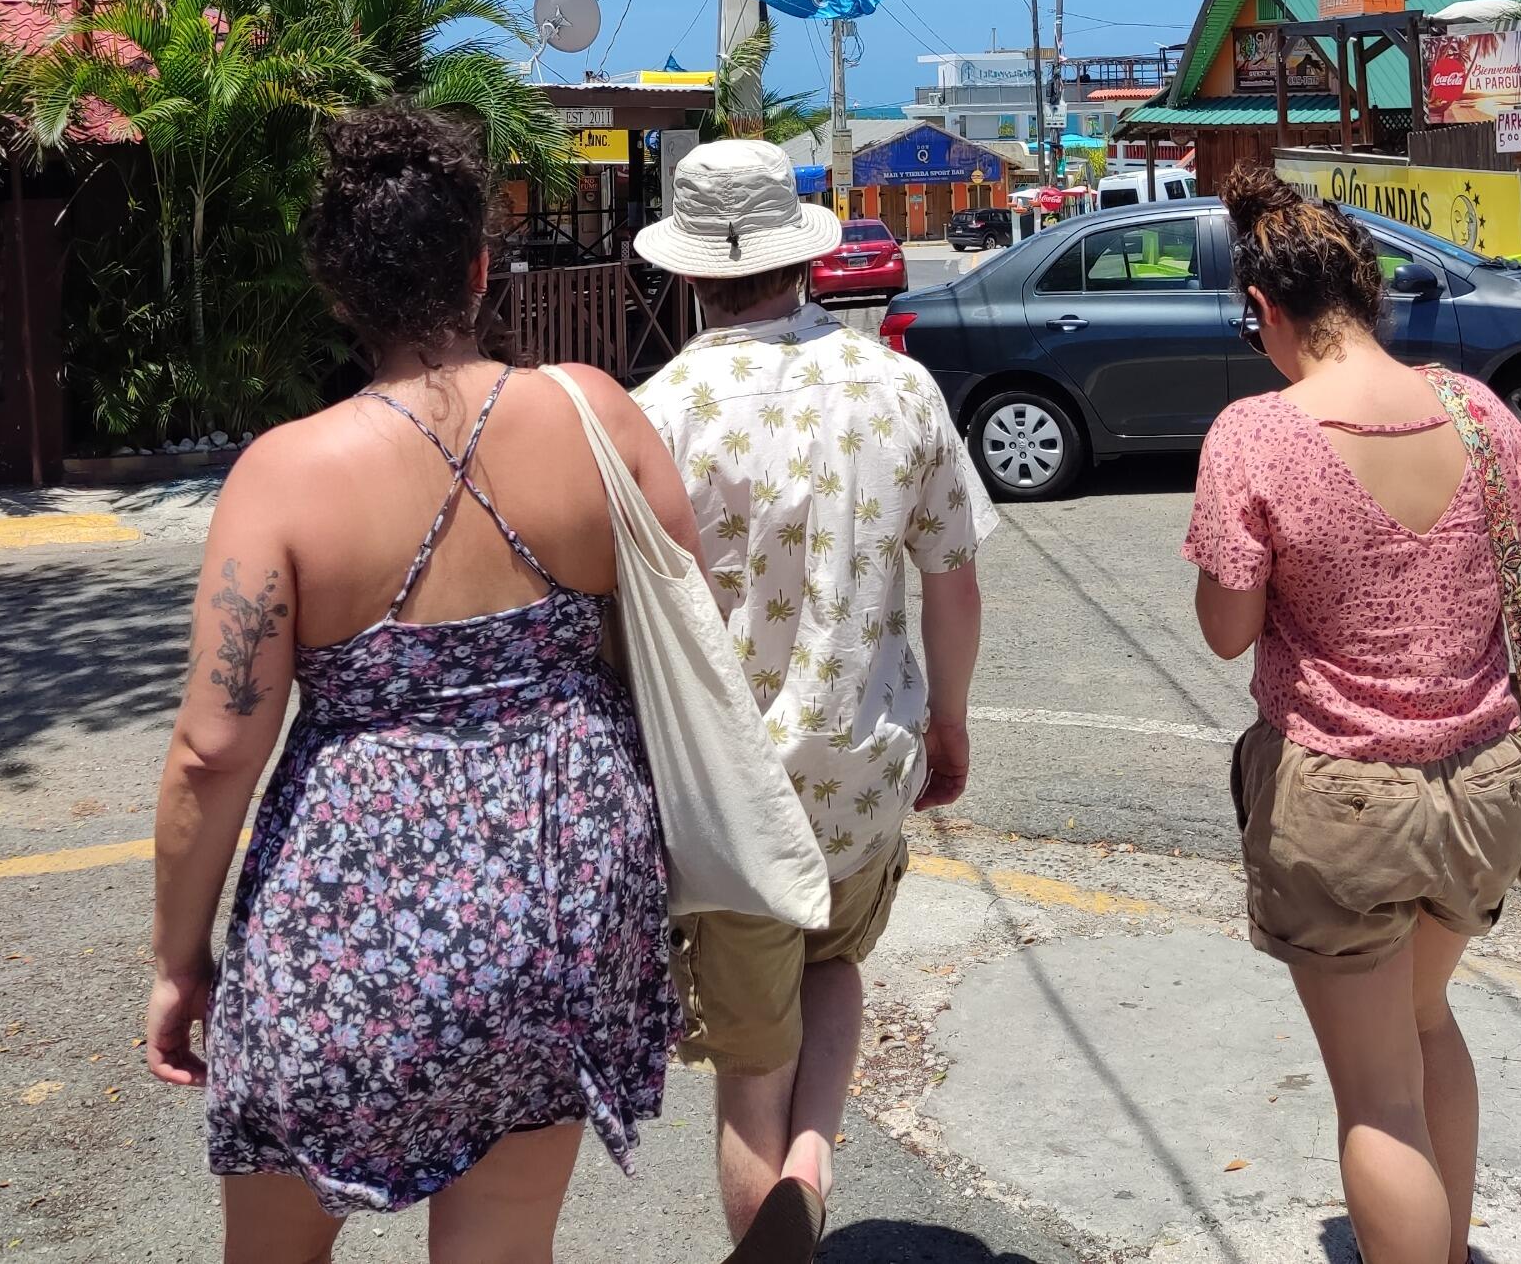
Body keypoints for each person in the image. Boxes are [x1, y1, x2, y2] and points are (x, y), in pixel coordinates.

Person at [146, 106, 702, 1264]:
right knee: (502, 1250)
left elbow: (214, 749)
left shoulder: (285, 473)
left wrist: (178, 959)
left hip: (353, 916)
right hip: (565, 890)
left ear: (338, 290)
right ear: (481, 265)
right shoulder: (596, 412)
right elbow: (690, 626)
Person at [634, 142, 994, 1263]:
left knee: (752, 1068)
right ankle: (812, 1162)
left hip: (729, 807)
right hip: (863, 771)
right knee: (836, 964)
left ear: (689, 271)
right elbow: (954, 580)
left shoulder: (656, 413)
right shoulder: (896, 386)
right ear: (802, 255)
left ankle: (781, 1190)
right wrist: (949, 721)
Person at [1185, 168, 1521, 1264]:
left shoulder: (1256, 433)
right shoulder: (1482, 413)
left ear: (1265, 310)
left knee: (1376, 1096)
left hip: (1340, 796)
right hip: (1486, 788)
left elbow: (1227, 629)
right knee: (1429, 1022)